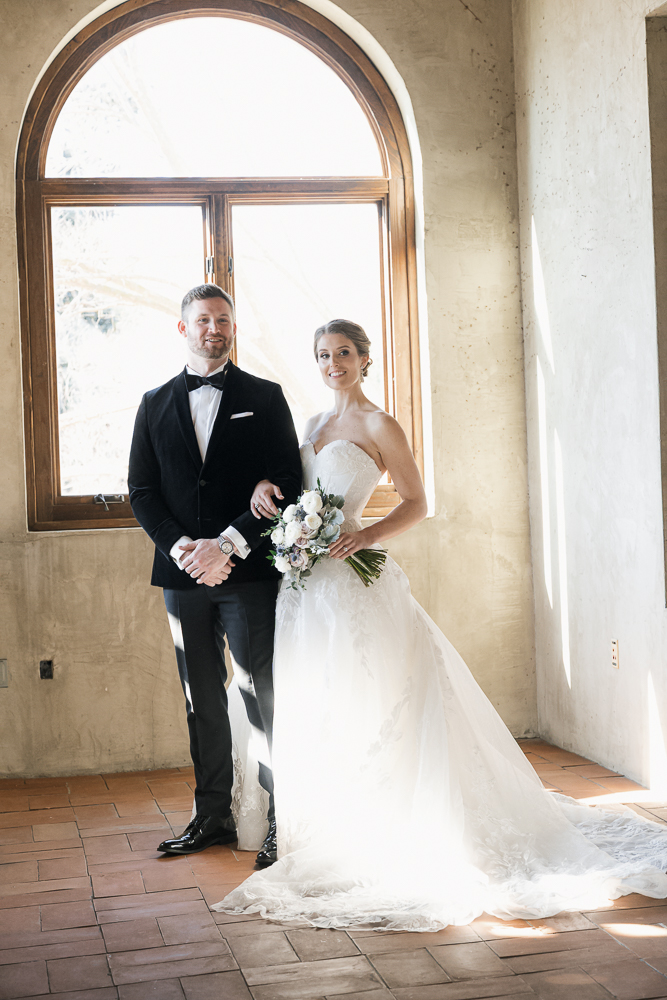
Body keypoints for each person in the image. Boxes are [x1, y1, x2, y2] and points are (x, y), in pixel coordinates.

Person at [215, 318, 667, 930]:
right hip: (304, 588)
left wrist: (365, 535)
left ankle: (396, 823)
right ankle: (330, 821)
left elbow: (417, 502)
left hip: (355, 583)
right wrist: (280, 504)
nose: (332, 364)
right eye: (323, 355)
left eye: (343, 353)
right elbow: (297, 490)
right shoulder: (312, 425)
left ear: (365, 359)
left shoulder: (379, 425)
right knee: (319, 702)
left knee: (376, 699)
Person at [128, 284, 301, 867]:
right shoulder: (152, 403)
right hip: (182, 578)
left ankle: (280, 821)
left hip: (248, 574)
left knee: (262, 696)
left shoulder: (266, 396)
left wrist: (228, 545)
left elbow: (287, 482)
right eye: (203, 319)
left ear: (233, 328)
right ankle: (211, 815)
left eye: (223, 319)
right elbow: (142, 490)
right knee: (200, 700)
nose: (214, 328)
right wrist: (185, 550)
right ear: (183, 328)